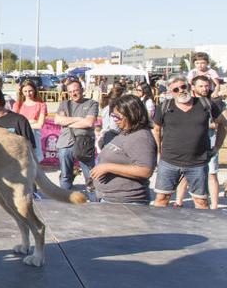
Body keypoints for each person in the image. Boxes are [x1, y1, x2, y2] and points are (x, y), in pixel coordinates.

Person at [152, 75, 226, 209]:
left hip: (197, 163)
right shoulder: (164, 107)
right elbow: (156, 130)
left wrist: (216, 148)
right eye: (175, 89)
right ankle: (159, 229)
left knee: (201, 202)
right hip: (169, 161)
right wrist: (158, 152)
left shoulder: (205, 104)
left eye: (183, 86)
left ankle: (204, 230)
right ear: (170, 92)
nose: (180, 90)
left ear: (189, 86)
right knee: (162, 199)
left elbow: (223, 123)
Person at [88, 95, 157, 204]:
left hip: (127, 202)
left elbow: (145, 170)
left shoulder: (141, 137)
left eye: (118, 117)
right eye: (113, 116)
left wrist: (107, 167)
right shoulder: (126, 132)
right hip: (111, 199)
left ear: (132, 115)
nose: (115, 120)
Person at [173, 75, 225, 208]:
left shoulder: (215, 102)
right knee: (184, 174)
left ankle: (214, 205)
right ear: (193, 87)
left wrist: (216, 146)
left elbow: (222, 123)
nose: (205, 88)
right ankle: (178, 201)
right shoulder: (188, 102)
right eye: (201, 86)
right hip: (190, 144)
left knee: (212, 173)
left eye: (207, 85)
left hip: (210, 141)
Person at [53, 78, 98, 190]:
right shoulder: (64, 104)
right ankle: (66, 199)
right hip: (65, 144)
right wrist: (78, 119)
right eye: (70, 92)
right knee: (65, 175)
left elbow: (89, 122)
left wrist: (67, 122)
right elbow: (57, 120)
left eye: (76, 90)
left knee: (90, 177)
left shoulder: (92, 103)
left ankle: (95, 203)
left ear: (82, 90)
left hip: (84, 144)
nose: (73, 94)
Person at [13, 79, 47, 161]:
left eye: (30, 91)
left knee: (35, 159)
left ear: (35, 90)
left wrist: (25, 124)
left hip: (35, 136)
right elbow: (14, 123)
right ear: (22, 92)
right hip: (20, 136)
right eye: (25, 91)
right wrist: (31, 121)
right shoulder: (17, 105)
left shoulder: (41, 105)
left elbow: (40, 124)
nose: (28, 94)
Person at [97, 85, 125, 150]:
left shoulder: (106, 108)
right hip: (112, 137)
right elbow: (113, 127)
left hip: (106, 136)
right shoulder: (114, 110)